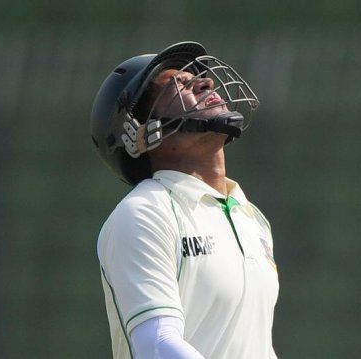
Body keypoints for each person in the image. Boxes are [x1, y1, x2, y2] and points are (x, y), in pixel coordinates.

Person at [90, 41, 279, 359]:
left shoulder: (250, 217)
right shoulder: (145, 213)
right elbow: (156, 344)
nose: (206, 82)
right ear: (142, 132)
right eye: (178, 85)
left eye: (196, 78)